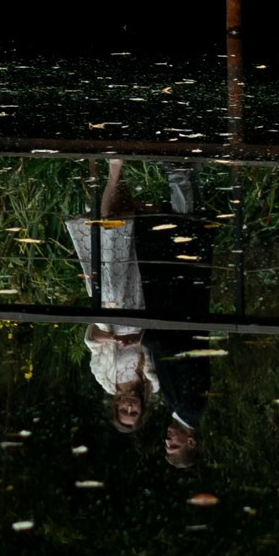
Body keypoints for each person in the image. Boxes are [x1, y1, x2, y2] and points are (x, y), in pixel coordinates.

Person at [65, 159, 216, 462]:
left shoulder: (170, 404)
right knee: (181, 243)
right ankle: (178, 172)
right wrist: (141, 337)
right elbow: (183, 354)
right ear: (191, 443)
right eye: (173, 445)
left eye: (125, 411)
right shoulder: (186, 405)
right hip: (170, 314)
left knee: (139, 237)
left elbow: (93, 340)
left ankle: (124, 170)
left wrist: (131, 337)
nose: (168, 439)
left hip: (141, 309)